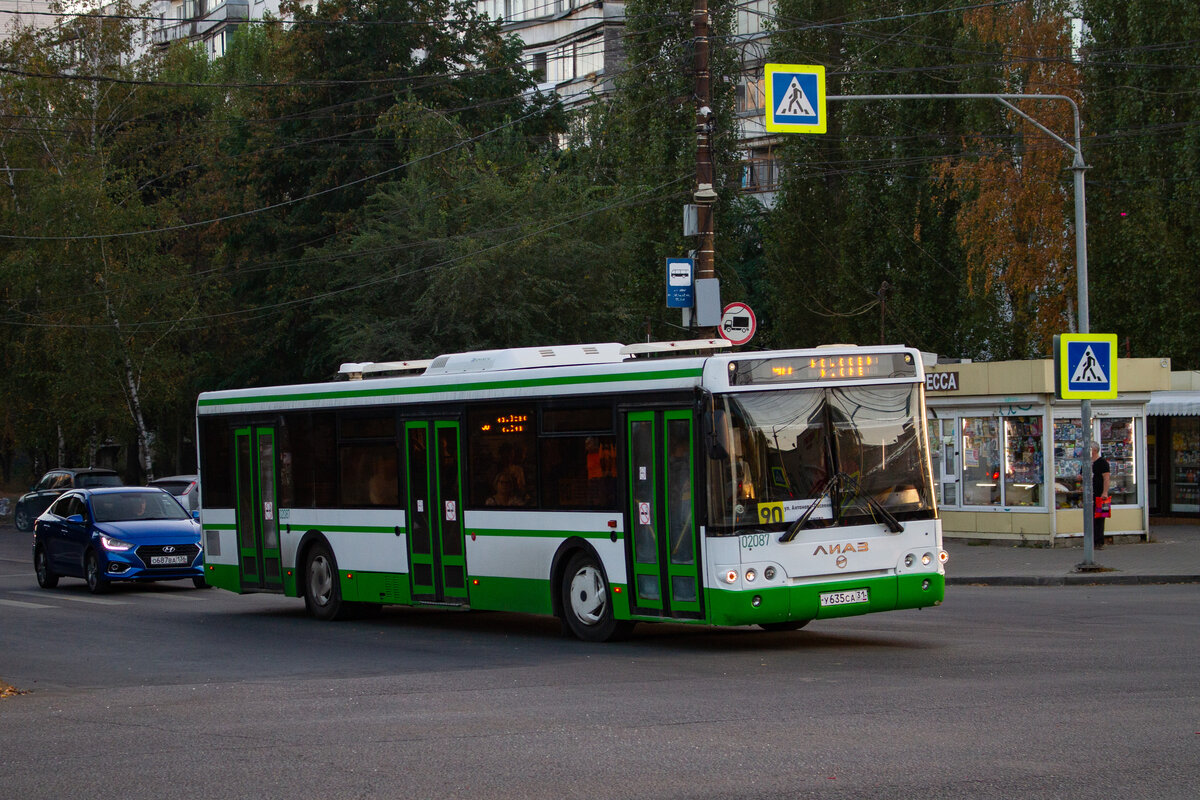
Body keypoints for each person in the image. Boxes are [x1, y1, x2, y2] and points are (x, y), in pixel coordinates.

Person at [1091, 442, 1111, 550]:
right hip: (1090, 494)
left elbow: (1106, 478)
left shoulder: (1102, 462)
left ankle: (1099, 541)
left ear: (1094, 450)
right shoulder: (1087, 463)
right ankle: (1092, 540)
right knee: (1091, 517)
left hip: (1100, 494)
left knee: (1100, 517)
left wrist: (1105, 492)